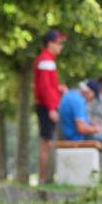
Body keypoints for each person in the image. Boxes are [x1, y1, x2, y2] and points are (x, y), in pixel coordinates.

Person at [33, 29, 67, 184]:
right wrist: (52, 108)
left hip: (47, 105)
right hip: (47, 106)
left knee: (47, 143)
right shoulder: (46, 60)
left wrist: (58, 88)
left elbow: (48, 85)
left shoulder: (47, 60)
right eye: (59, 43)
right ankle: (41, 179)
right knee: (46, 144)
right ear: (50, 43)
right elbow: (44, 88)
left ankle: (43, 178)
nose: (61, 47)